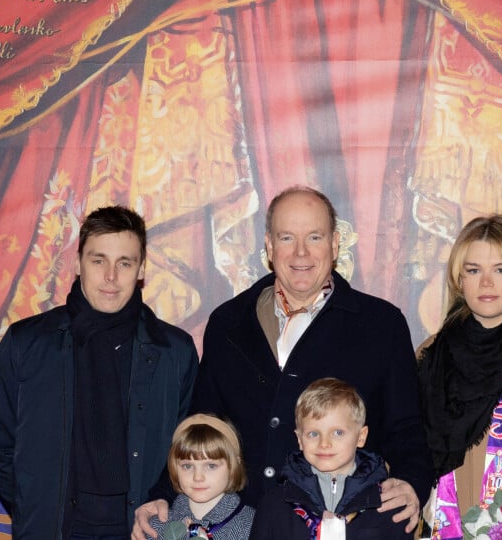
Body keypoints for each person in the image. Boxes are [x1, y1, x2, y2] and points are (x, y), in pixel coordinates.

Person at [133, 185, 433, 538]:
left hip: (348, 526)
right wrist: (164, 496)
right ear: (270, 247)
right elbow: (203, 427)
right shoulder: (228, 323)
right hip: (239, 527)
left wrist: (412, 483)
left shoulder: (381, 325)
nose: (301, 252)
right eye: (287, 237)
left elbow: (407, 429)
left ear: (336, 244)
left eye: (315, 237)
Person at [0, 205, 199, 540]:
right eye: (99, 261)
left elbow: (188, 449)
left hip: (138, 530)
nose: (111, 276)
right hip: (54, 528)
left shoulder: (175, 352)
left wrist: (160, 502)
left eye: (124, 263)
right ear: (78, 263)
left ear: (141, 268)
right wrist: (36, 505)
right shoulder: (26, 343)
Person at [417, 214, 502, 538]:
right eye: (473, 270)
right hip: (444, 526)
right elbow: (406, 450)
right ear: (458, 278)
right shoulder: (429, 356)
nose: (486, 283)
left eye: (500, 269)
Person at [250, 377, 413, 539]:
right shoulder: (273, 505)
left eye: (338, 433)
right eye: (313, 434)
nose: (324, 443)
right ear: (299, 439)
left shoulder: (388, 503)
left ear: (361, 437)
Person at [147, 413, 255, 540]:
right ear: (174, 468)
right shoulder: (156, 526)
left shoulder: (252, 525)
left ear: (233, 466)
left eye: (211, 466)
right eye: (187, 466)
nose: (198, 477)